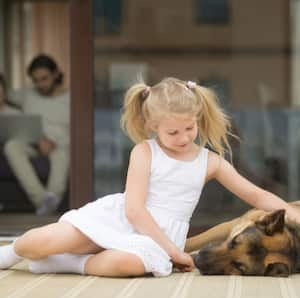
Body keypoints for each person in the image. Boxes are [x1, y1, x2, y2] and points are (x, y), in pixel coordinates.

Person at [0, 77, 300, 278]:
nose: (183, 138)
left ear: (198, 120)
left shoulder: (210, 162)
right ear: (153, 125)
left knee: (125, 264)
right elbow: (134, 210)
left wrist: (293, 215)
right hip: (126, 219)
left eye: (189, 129)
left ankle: (68, 263)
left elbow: (258, 197)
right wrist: (173, 252)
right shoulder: (145, 152)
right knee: (39, 241)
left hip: (159, 238)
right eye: (172, 132)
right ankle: (12, 252)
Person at [3, 55, 70, 216]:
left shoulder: (71, 98)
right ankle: (42, 201)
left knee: (64, 152)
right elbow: (3, 93)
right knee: (11, 146)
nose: (40, 84)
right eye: (36, 80)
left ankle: (51, 199)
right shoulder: (27, 94)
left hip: (60, 145)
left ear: (55, 74)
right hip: (33, 141)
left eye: (44, 79)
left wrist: (54, 141)